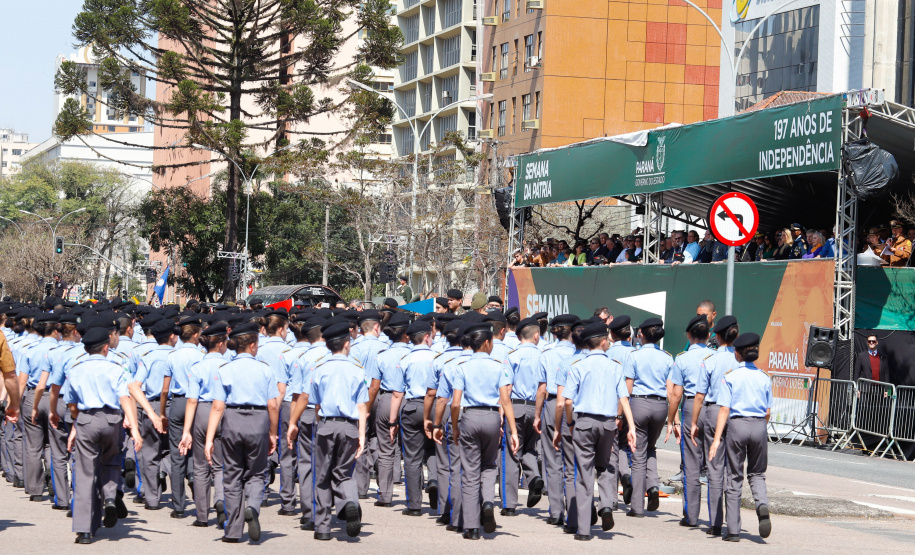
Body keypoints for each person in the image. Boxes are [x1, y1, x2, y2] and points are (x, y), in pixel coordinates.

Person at [433, 322, 519, 540]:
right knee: (489, 466)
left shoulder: (462, 366)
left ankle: (471, 527)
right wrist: (513, 430)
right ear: (488, 342)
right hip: (491, 416)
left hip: (469, 417)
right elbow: (506, 401)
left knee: (469, 471)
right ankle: (488, 501)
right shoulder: (499, 365)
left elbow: (454, 403)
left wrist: (454, 427)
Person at [287, 321, 368, 540]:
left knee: (322, 476)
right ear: (346, 344)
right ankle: (350, 502)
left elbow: (316, 404)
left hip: (325, 424)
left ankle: (322, 527)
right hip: (350, 426)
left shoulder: (319, 369)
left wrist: (319, 425)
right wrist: (361, 435)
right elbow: (362, 406)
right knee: (344, 472)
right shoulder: (357, 370)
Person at [558, 321, 636, 541]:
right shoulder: (615, 367)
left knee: (584, 474)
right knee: (606, 467)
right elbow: (624, 398)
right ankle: (607, 505)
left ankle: (583, 530)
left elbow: (567, 401)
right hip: (608, 424)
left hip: (583, 423)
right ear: (603, 342)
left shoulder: (578, 367)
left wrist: (571, 424)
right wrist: (630, 427)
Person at [66, 326, 143, 544]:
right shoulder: (115, 367)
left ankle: (84, 530)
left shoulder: (75, 369)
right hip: (112, 420)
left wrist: (76, 425)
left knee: (84, 473)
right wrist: (134, 430)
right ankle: (110, 497)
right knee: (111, 462)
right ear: (106, 348)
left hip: (86, 419)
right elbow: (125, 398)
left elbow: (72, 404)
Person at [205, 322, 280, 543]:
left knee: (232, 476)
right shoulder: (265, 369)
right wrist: (273, 433)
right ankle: (253, 508)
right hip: (258, 421)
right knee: (256, 472)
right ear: (254, 345)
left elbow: (217, 406)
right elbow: (273, 405)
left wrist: (209, 439)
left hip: (232, 420)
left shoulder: (224, 369)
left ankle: (233, 530)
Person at [709, 333, 773, 542]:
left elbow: (724, 409)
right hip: (759, 425)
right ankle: (761, 503)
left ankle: (734, 530)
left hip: (737, 425)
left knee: (734, 476)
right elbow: (768, 411)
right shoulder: (764, 377)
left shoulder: (730, 376)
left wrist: (717, 438)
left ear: (737, 353)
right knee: (757, 473)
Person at [689, 315, 739, 536]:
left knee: (714, 468)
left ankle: (716, 522)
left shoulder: (709, 360)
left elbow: (699, 396)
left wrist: (693, 422)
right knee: (734, 469)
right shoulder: (741, 359)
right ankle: (734, 523)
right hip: (735, 414)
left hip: (713, 410)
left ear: (716, 336)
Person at [178, 322, 230, 528]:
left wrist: (186, 431)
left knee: (200, 466)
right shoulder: (228, 364)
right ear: (220, 344)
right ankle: (220, 501)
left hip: (201, 411)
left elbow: (191, 399)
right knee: (220, 464)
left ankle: (201, 515)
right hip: (223, 410)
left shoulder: (197, 367)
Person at [389, 320, 439, 516]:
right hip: (434, 407)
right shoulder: (437, 358)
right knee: (436, 450)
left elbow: (397, 394)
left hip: (411, 407)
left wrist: (392, 421)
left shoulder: (405, 360)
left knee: (412, 456)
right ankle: (434, 480)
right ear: (427, 337)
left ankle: (414, 504)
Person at [667, 315, 713, 528]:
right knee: (715, 465)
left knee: (691, 463)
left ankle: (691, 516)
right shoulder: (715, 357)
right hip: (713, 408)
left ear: (689, 335)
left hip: (689, 406)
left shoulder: (682, 358)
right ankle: (717, 518)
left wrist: (671, 420)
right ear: (709, 335)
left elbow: (676, 394)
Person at [623, 317, 672, 517]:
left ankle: (636, 506)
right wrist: (673, 418)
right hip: (661, 405)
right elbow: (671, 391)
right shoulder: (668, 358)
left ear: (641, 334)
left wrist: (620, 414)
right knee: (650, 448)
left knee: (638, 452)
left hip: (639, 403)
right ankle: (652, 486)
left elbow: (628, 387)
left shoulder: (634, 356)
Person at [128, 319, 175, 510]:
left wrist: (146, 408)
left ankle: (152, 498)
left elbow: (134, 385)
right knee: (176, 452)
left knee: (149, 453)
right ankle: (179, 500)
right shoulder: (177, 355)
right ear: (172, 336)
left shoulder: (148, 356)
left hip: (151, 405)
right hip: (177, 405)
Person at [501, 318, 546, 516]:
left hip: (516, 407)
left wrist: (503, 412)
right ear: (537, 335)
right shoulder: (544, 357)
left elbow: (507, 388)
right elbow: (543, 388)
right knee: (530, 448)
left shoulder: (513, 356)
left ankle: (509, 504)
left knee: (511, 453)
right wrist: (538, 413)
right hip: (535, 408)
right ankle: (534, 476)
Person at [161, 315, 205, 518]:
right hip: (197, 402)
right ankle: (201, 499)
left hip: (177, 402)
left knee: (177, 454)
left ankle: (178, 506)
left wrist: (162, 412)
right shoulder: (202, 355)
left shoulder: (172, 355)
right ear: (196, 335)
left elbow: (165, 389)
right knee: (199, 452)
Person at [368, 313, 411, 506]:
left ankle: (385, 494)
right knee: (412, 450)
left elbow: (374, 386)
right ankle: (414, 497)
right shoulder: (413, 353)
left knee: (385, 448)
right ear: (407, 334)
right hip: (410, 400)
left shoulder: (383, 356)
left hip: (386, 399)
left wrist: (368, 408)